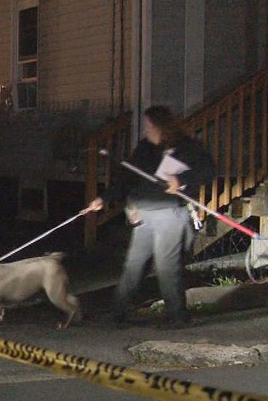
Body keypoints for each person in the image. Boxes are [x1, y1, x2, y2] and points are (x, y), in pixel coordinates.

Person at [86, 105, 216, 327]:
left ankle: (178, 316)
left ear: (163, 126)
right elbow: (127, 178)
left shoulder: (186, 147)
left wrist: (182, 180)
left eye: (149, 126)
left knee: (167, 266)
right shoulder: (145, 149)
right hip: (144, 215)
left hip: (170, 214)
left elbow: (207, 170)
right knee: (133, 265)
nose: (146, 130)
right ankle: (117, 314)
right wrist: (104, 199)